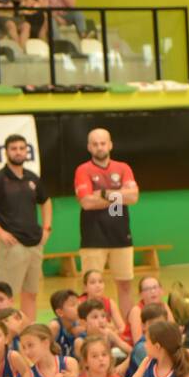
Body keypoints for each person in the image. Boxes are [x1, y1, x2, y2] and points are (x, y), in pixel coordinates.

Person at [0, 133, 52, 323]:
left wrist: (47, 228)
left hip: (34, 244)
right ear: (6, 152)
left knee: (30, 294)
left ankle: (28, 332)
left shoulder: (32, 178)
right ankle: (5, 335)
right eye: (14, 149)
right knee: (5, 296)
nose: (18, 152)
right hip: (11, 246)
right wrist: (0, 232)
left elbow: (46, 201)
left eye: (22, 148)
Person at [74, 127, 139, 319]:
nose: (99, 147)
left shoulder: (123, 168)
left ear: (110, 144)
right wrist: (119, 195)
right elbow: (86, 202)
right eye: (95, 144)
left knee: (125, 284)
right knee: (92, 286)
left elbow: (133, 197)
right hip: (94, 236)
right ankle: (92, 325)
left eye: (103, 143)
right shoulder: (83, 170)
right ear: (89, 147)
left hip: (120, 233)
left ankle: (128, 326)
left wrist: (102, 193)